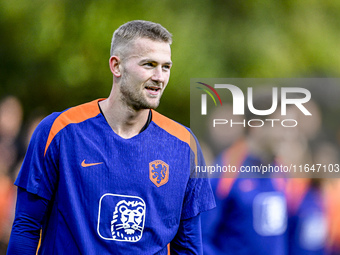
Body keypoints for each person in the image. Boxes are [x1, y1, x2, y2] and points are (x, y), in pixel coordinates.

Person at [7, 20, 215, 255]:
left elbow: (188, 246)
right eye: (149, 65)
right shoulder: (59, 131)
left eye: (166, 67)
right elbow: (26, 226)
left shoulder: (184, 145)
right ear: (117, 66)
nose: (160, 77)